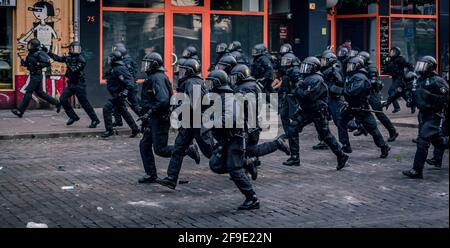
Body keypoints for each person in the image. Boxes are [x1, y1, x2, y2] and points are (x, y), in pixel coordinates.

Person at [207, 69, 290, 210]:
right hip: (231, 137)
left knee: (235, 169)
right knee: (216, 164)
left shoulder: (230, 95)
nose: (209, 85)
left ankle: (252, 198)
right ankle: (248, 161)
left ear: (218, 83)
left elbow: (231, 118)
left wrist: (212, 122)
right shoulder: (224, 95)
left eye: (211, 82)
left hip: (236, 137)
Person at [137, 52, 200, 184]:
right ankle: (151, 174)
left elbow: (164, 100)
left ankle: (188, 150)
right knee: (144, 145)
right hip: (154, 118)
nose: (145, 67)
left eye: (148, 64)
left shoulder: (157, 78)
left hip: (159, 119)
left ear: (154, 65)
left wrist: (149, 112)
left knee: (160, 149)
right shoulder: (155, 77)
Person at [158, 59, 215, 190]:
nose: (181, 73)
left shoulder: (191, 82)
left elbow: (194, 104)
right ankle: (171, 179)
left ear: (190, 71)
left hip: (197, 122)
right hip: (190, 121)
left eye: (183, 70)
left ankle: (243, 163)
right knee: (178, 148)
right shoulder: (193, 82)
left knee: (210, 151)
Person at [288, 57, 349, 171]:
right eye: (304, 66)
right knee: (292, 128)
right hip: (307, 110)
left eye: (308, 67)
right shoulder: (307, 78)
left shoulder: (317, 79)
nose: (305, 69)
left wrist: (298, 89)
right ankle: (295, 157)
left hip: (317, 112)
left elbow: (308, 95)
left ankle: (342, 156)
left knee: (326, 136)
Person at [403, 56, 449, 179]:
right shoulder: (419, 80)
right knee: (439, 141)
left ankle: (417, 170)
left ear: (430, 66)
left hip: (434, 115)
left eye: (424, 65)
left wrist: (428, 95)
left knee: (422, 141)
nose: (420, 68)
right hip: (423, 115)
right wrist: (411, 99)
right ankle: (434, 160)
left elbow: (446, 97)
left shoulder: (437, 80)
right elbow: (414, 94)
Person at [339, 56, 391, 158]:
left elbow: (352, 91)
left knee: (372, 129)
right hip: (351, 106)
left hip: (361, 108)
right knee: (341, 122)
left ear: (357, 66)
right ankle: (346, 145)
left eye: (351, 65)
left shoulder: (360, 77)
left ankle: (384, 146)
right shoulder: (352, 75)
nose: (349, 67)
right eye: (349, 65)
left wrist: (340, 91)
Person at [48, 41, 100, 128]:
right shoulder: (69, 57)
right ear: (70, 49)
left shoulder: (81, 59)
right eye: (74, 48)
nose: (76, 50)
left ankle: (95, 119)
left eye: (78, 48)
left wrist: (67, 61)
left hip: (79, 85)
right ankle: (73, 116)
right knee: (63, 99)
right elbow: (58, 58)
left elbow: (74, 70)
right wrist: (48, 52)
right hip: (71, 84)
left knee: (84, 103)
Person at [355, 51, 399, 142]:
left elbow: (373, 82)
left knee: (379, 113)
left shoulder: (371, 68)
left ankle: (393, 131)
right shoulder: (361, 68)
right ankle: (362, 128)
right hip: (365, 93)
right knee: (358, 110)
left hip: (373, 93)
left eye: (361, 58)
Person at [12, 38, 60, 118]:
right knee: (40, 93)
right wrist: (24, 63)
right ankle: (57, 103)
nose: (29, 46)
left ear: (34, 46)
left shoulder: (40, 53)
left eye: (30, 45)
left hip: (37, 75)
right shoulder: (30, 54)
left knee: (28, 92)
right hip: (33, 75)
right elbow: (28, 64)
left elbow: (47, 63)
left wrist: (37, 64)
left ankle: (20, 111)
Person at [101, 51, 140, 138]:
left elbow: (130, 81)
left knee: (106, 109)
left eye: (111, 58)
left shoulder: (120, 68)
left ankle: (109, 130)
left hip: (118, 95)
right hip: (116, 94)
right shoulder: (115, 68)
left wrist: (125, 92)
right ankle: (135, 129)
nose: (109, 60)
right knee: (123, 111)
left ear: (114, 59)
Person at [278, 52, 302, 166]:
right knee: (283, 115)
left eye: (287, 61)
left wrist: (293, 94)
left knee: (293, 126)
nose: (284, 63)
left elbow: (298, 86)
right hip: (288, 98)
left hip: (293, 100)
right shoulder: (288, 71)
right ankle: (289, 135)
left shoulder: (295, 71)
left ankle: (295, 156)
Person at [112, 44, 141, 127]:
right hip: (127, 85)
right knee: (118, 103)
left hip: (129, 86)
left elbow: (129, 76)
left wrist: (127, 88)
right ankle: (118, 120)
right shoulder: (126, 59)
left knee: (134, 105)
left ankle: (145, 118)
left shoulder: (126, 61)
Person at [384, 46, 414, 113]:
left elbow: (408, 65)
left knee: (391, 91)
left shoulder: (400, 59)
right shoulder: (391, 60)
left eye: (392, 51)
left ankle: (397, 107)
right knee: (402, 93)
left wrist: (411, 73)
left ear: (396, 52)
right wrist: (386, 63)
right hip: (395, 78)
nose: (391, 53)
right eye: (391, 51)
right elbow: (386, 70)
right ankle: (412, 104)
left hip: (400, 78)